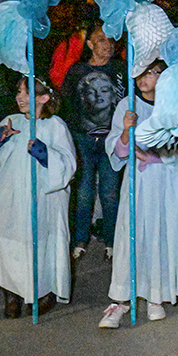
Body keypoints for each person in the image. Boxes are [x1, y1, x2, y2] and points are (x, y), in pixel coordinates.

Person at [99, 60, 178, 329]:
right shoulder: (127, 105)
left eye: (151, 72)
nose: (144, 78)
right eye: (140, 72)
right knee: (133, 234)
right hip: (137, 183)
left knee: (161, 233)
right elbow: (116, 149)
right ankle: (120, 299)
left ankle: (156, 296)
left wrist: (153, 156)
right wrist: (127, 132)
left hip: (166, 183)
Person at [0, 77, 75, 318]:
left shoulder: (56, 126)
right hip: (11, 197)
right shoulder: (12, 122)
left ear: (44, 98)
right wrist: (2, 139)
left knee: (41, 241)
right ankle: (12, 292)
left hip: (43, 200)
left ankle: (44, 291)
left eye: (27, 93)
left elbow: (68, 165)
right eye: (19, 92)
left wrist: (44, 153)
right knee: (10, 241)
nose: (19, 97)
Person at [60, 22, 125, 260]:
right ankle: (80, 240)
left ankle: (111, 240)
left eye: (109, 40)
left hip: (111, 141)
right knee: (85, 192)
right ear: (89, 44)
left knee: (110, 192)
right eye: (100, 40)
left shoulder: (121, 70)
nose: (106, 45)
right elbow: (66, 103)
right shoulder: (77, 71)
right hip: (83, 140)